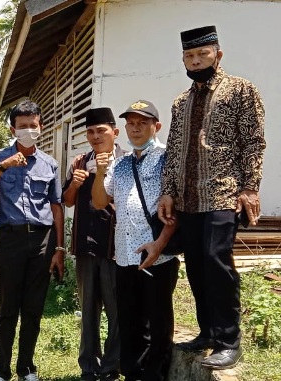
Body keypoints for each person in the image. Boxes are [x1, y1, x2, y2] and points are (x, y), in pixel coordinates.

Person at [159, 25, 266, 370]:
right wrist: (168, 193)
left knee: (217, 262)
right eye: (189, 56)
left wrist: (250, 188)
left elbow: (253, 142)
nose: (195, 60)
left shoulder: (240, 90)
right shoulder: (181, 101)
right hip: (188, 199)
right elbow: (173, 151)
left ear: (217, 54)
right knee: (196, 266)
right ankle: (207, 332)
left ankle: (228, 339)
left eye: (201, 54)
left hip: (223, 192)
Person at [0, 100, 65, 381]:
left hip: (42, 241)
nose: (28, 130)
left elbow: (56, 206)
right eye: (22, 126)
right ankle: (1, 369)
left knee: (33, 308)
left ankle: (26, 366)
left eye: (33, 126)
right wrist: (3, 166)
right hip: (10, 241)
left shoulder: (49, 164)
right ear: (13, 128)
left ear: (41, 126)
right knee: (7, 308)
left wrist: (59, 248)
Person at [91, 100, 179, 381]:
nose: (136, 128)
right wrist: (102, 170)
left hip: (158, 255)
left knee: (157, 322)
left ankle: (154, 375)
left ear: (157, 126)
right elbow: (99, 201)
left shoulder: (168, 158)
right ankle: (132, 373)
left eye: (143, 122)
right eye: (131, 123)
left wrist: (160, 244)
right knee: (129, 321)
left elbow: (180, 207)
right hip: (126, 255)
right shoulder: (121, 163)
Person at [62, 108, 124, 381]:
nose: (96, 136)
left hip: (116, 248)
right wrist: (75, 185)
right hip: (85, 245)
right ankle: (89, 365)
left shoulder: (126, 162)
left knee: (116, 310)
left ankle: (111, 366)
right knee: (88, 311)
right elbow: (67, 201)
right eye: (90, 132)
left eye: (101, 131)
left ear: (115, 132)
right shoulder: (79, 162)